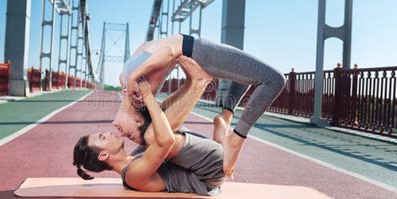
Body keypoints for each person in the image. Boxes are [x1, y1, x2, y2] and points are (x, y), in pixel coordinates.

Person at [116, 34, 286, 176]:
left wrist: (131, 78)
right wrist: (134, 77)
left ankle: (226, 119)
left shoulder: (126, 80)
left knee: (256, 76)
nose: (119, 130)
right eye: (128, 134)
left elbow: (155, 47)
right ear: (138, 121)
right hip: (199, 52)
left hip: (196, 48)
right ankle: (234, 138)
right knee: (274, 80)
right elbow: (167, 51)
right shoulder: (134, 84)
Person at [73, 71, 227, 196]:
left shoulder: (134, 156)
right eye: (102, 137)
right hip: (209, 174)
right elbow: (166, 141)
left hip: (204, 166)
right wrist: (147, 96)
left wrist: (128, 87)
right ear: (103, 155)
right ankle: (202, 81)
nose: (108, 132)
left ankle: (194, 82)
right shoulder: (132, 175)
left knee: (154, 125)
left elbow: (162, 114)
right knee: (153, 136)